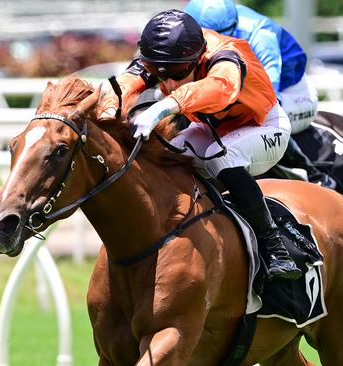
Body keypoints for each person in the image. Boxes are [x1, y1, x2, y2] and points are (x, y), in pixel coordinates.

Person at [97, 9, 302, 280]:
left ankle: (274, 245)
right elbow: (121, 84)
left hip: (263, 124)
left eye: (178, 72)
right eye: (158, 74)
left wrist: (163, 107)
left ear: (196, 58)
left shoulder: (226, 56)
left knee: (220, 158)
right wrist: (106, 110)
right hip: (212, 127)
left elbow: (218, 89)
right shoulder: (168, 57)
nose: (168, 81)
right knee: (169, 155)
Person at [184, 0, 336, 188]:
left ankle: (313, 174)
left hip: (291, 93)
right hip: (250, 91)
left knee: (263, 119)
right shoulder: (217, 18)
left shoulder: (261, 36)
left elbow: (269, 95)